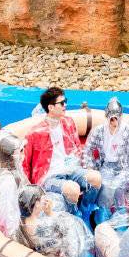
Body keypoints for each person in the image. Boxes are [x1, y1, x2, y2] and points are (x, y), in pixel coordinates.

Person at [21, 86, 103, 220]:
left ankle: (85, 212)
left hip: (70, 169)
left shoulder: (68, 123)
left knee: (96, 178)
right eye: (62, 103)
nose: (65, 105)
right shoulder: (35, 133)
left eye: (66, 101)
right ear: (51, 107)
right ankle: (74, 217)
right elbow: (25, 164)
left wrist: (84, 164)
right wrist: (28, 189)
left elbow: (77, 147)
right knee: (73, 189)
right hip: (49, 176)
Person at [85, 97, 129, 218]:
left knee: (119, 187)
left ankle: (121, 216)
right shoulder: (99, 131)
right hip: (106, 166)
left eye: (116, 120)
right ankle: (102, 215)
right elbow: (88, 151)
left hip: (124, 167)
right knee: (105, 188)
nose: (114, 123)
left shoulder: (127, 131)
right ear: (107, 118)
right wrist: (91, 169)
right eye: (112, 120)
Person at [17, 184, 94, 257]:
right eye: (43, 199)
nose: (46, 201)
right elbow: (67, 234)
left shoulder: (20, 226)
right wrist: (50, 213)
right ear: (36, 204)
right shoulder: (44, 226)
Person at [0, 133, 27, 237]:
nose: (23, 154)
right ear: (11, 156)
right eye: (20, 151)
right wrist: (18, 239)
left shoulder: (5, 172)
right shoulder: (7, 182)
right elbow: (5, 219)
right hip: (13, 235)